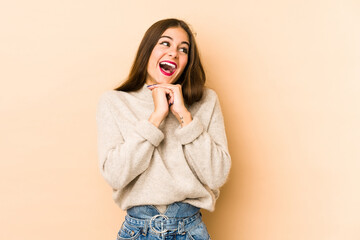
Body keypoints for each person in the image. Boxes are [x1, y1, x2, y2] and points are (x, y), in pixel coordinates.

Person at [96, 18, 231, 240]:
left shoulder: (206, 101)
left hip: (190, 230)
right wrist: (156, 117)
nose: (174, 53)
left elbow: (217, 176)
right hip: (137, 231)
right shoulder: (114, 102)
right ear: (147, 50)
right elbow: (115, 175)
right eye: (165, 43)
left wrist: (184, 116)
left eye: (183, 49)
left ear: (188, 60)